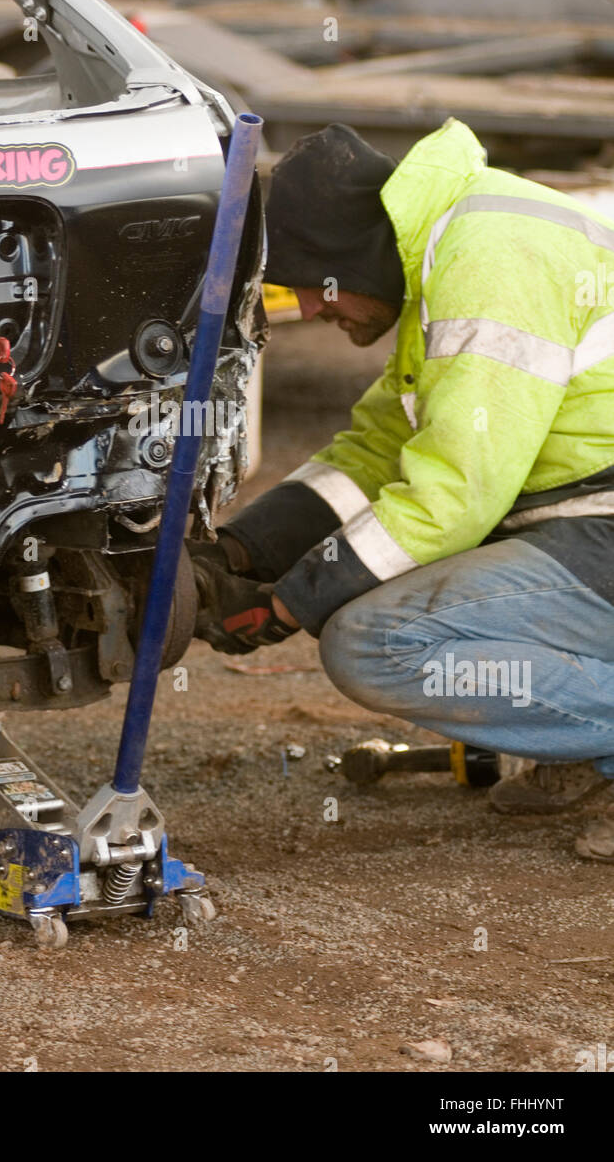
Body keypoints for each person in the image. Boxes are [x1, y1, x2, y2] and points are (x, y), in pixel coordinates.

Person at [191, 117, 614, 861]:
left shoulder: (489, 265)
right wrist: (245, 549)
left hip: (597, 522)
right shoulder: (446, 249)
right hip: (584, 515)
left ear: (353, 256)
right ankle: (586, 738)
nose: (316, 313)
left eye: (317, 290)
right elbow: (383, 447)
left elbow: (455, 494)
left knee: (373, 639)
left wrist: (294, 600)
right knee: (380, 588)